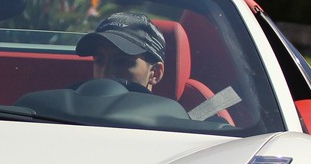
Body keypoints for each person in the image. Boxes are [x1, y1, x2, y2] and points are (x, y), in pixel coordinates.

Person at [19, 11, 187, 120]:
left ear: (155, 73)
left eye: (122, 61)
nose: (107, 72)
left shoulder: (172, 129)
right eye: (99, 60)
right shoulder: (61, 115)